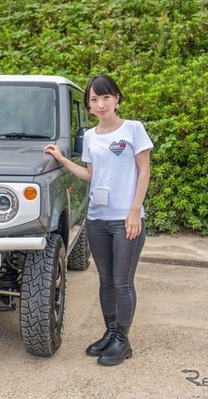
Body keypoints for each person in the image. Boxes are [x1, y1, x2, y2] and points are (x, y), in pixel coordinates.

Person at [44, 74, 153, 366]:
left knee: (122, 282)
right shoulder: (90, 136)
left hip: (125, 219)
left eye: (105, 97)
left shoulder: (133, 130)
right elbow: (91, 175)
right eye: (94, 99)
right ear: (89, 106)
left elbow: (144, 171)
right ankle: (110, 333)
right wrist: (63, 160)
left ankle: (123, 341)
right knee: (105, 281)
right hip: (98, 219)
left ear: (116, 98)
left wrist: (134, 211)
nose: (100, 103)